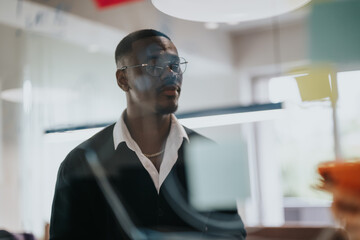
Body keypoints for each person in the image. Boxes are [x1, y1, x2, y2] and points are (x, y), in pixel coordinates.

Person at [49, 29, 246, 240]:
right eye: (153, 65)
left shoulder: (211, 155)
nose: (170, 73)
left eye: (175, 65)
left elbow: (232, 235)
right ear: (123, 79)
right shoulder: (81, 163)